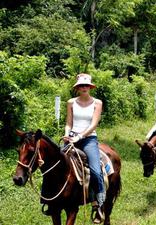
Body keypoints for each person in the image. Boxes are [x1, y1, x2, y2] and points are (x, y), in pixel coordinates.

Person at [63, 73, 105, 221]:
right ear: (77, 88)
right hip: (72, 138)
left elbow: (94, 124)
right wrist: (67, 134)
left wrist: (79, 136)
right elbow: (68, 123)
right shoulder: (71, 102)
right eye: (81, 85)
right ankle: (49, 200)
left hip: (88, 139)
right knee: (53, 163)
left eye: (86, 85)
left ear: (90, 87)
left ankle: (99, 204)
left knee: (95, 170)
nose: (84, 87)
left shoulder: (97, 103)